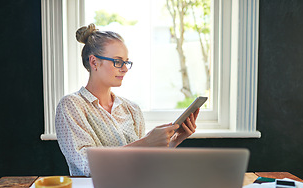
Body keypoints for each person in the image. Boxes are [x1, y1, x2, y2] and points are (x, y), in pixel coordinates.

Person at [55, 23, 199, 176]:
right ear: (94, 62)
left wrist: (173, 141)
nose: (124, 68)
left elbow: (141, 165)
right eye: (117, 62)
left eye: (126, 62)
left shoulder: (132, 109)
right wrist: (146, 142)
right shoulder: (71, 105)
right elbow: (87, 167)